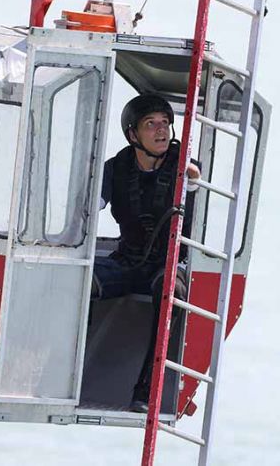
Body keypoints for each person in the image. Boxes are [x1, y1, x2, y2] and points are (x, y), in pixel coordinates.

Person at [91, 93, 201, 412]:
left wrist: (192, 182)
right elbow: (87, 208)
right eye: (150, 124)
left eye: (165, 123)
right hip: (127, 261)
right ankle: (61, 368)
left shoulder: (186, 165)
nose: (161, 130)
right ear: (133, 134)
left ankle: (146, 388)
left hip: (166, 264)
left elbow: (195, 183)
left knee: (170, 290)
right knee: (79, 281)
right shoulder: (117, 168)